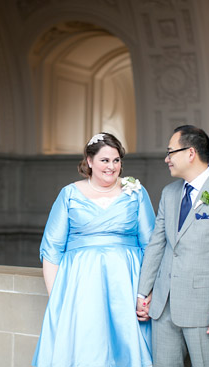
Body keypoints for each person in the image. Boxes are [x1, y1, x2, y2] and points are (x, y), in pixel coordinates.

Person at [32, 132, 155, 367]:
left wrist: (147, 293)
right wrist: (58, 297)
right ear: (89, 161)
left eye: (116, 160)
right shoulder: (69, 194)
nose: (111, 166)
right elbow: (52, 250)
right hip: (80, 288)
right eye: (105, 160)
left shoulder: (136, 192)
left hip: (126, 285)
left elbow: (151, 245)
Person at [136, 125, 209, 367]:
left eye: (171, 152)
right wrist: (142, 293)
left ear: (190, 153)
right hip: (162, 306)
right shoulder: (168, 193)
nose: (167, 159)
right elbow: (157, 245)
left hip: (203, 309)